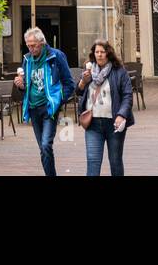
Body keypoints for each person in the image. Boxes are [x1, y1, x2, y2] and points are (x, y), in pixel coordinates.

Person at [14, 26, 74, 177]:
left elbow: (69, 83)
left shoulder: (56, 56)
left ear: (42, 42)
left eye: (33, 45)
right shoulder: (27, 59)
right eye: (28, 45)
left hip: (49, 108)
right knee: (43, 148)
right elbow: (27, 85)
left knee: (46, 144)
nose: (30, 48)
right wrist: (21, 86)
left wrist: (59, 101)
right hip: (33, 108)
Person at [76, 39, 134, 176]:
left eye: (103, 52)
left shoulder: (119, 71)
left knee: (115, 161)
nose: (100, 54)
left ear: (108, 54)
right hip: (93, 124)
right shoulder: (88, 71)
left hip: (113, 123)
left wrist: (122, 114)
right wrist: (83, 81)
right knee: (92, 161)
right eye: (97, 52)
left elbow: (127, 95)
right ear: (93, 54)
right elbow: (78, 92)